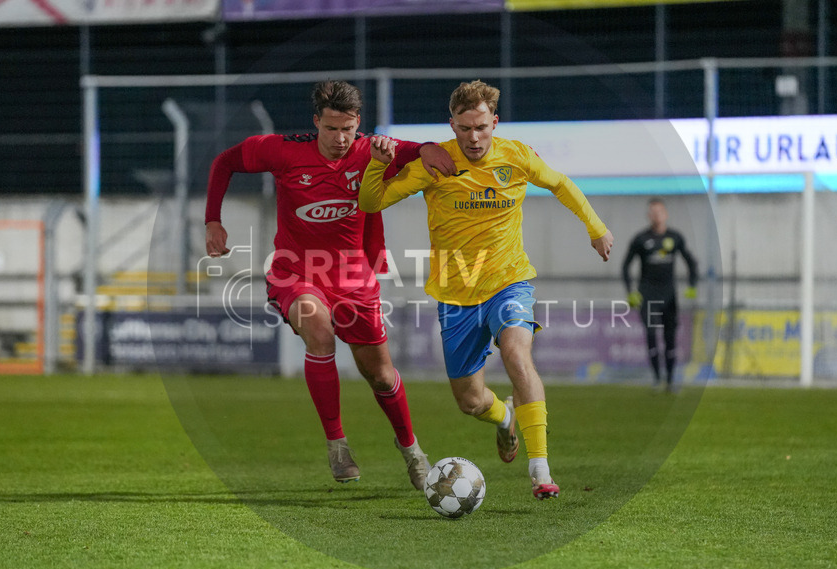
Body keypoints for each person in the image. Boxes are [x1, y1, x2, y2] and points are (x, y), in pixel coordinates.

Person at [359, 80, 613, 500]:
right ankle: (504, 417)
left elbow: (561, 184)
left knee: (516, 352)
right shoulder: (435, 161)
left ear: (495, 122)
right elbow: (371, 203)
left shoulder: (516, 156)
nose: (474, 138)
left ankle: (540, 469)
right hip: (455, 296)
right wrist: (375, 164)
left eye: (481, 127)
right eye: (464, 128)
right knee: (471, 401)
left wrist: (596, 227)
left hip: (508, 281)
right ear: (452, 124)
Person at [203, 80, 457, 489]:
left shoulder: (372, 149)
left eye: (348, 129)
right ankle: (337, 445)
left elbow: (417, 149)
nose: (340, 139)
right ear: (316, 122)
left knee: (381, 375)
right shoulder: (283, 150)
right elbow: (225, 161)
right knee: (318, 331)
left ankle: (411, 449)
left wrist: (427, 147)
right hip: (296, 272)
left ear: (359, 124)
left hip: (354, 278)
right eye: (331, 129)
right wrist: (213, 219)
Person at [621, 197, 698, 392]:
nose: (656, 215)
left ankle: (671, 381)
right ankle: (657, 378)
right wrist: (630, 292)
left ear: (665, 214)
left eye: (659, 212)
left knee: (670, 338)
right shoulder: (640, 239)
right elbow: (625, 266)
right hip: (647, 296)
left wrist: (692, 285)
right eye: (653, 212)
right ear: (649, 215)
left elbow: (691, 262)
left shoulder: (675, 237)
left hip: (669, 296)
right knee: (651, 336)